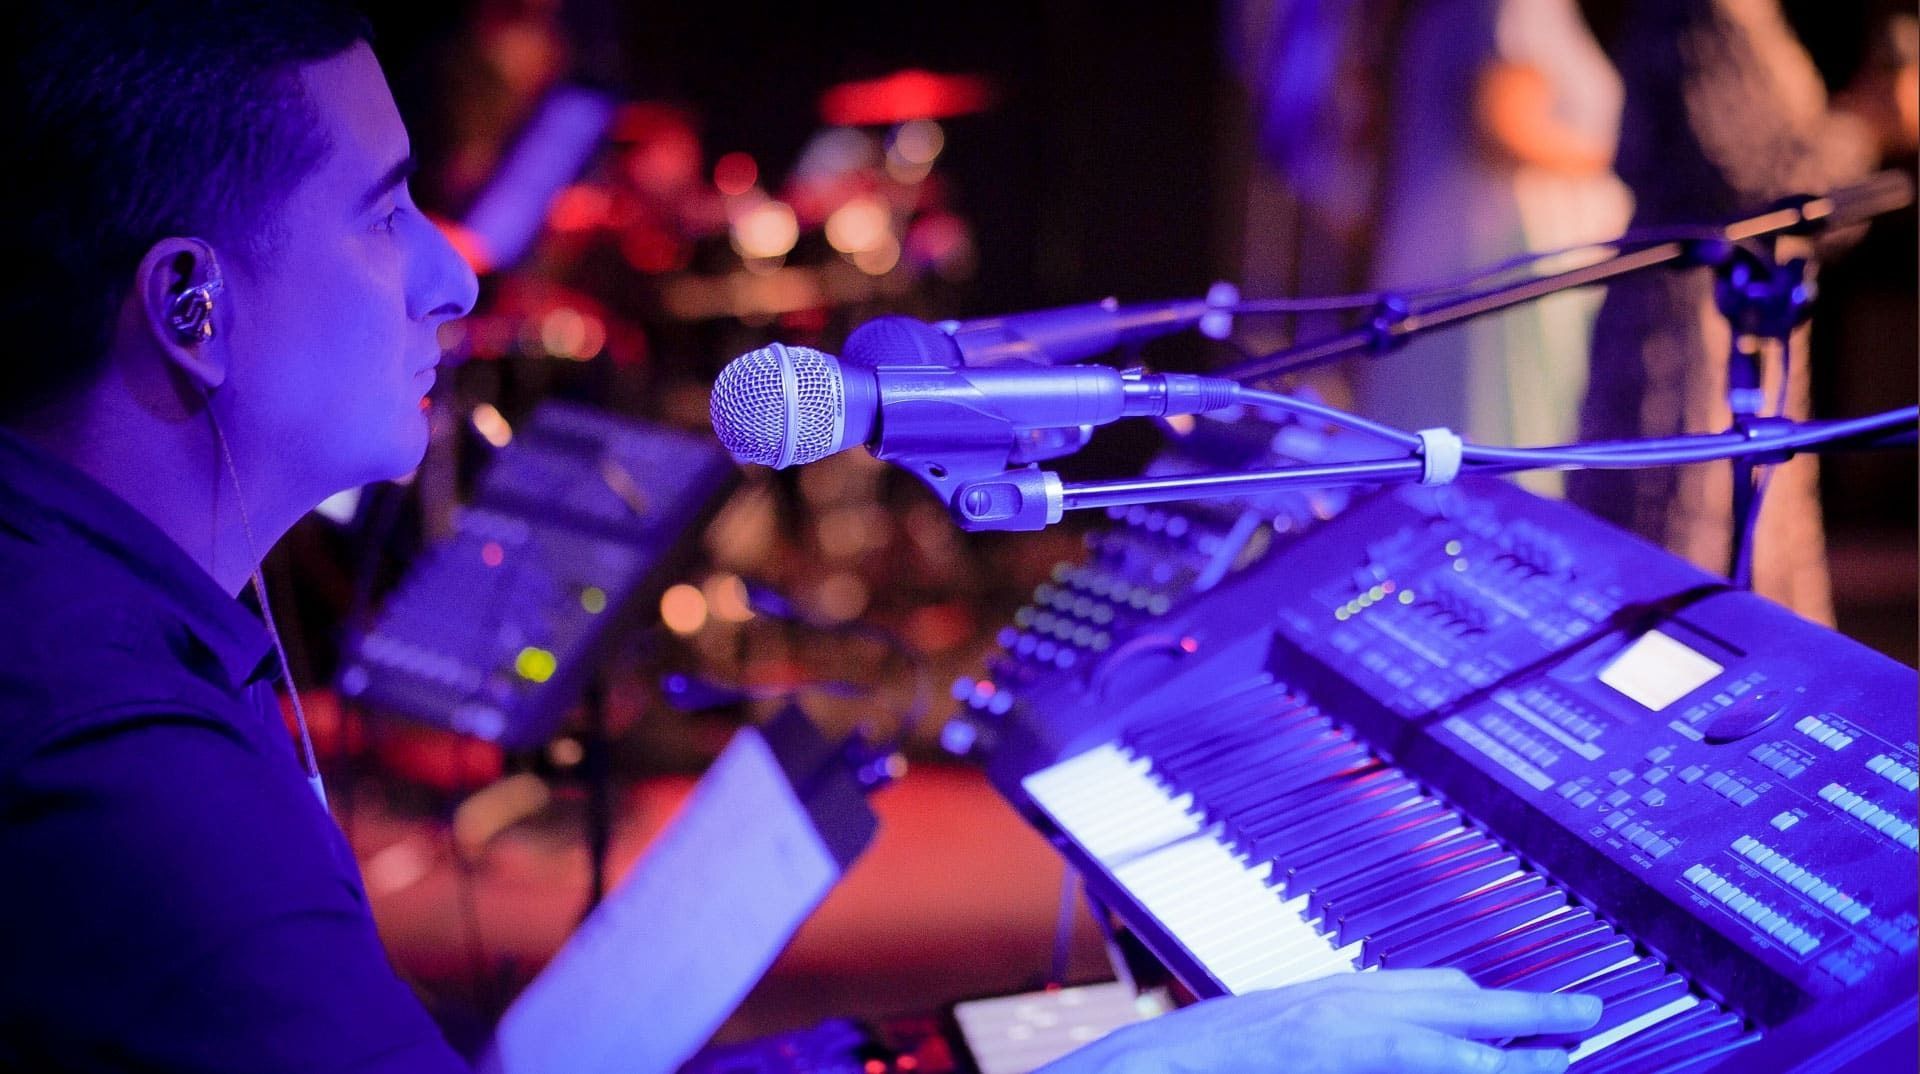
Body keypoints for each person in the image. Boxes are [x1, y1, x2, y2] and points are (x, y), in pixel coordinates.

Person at [0, 3, 1600, 1071]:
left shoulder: (99, 608)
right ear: (191, 305)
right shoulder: (109, 750)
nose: (453, 275)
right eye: (381, 210)